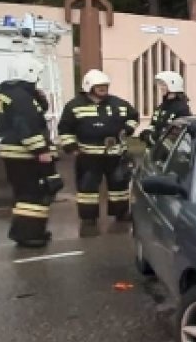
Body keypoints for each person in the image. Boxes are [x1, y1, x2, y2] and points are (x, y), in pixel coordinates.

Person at [57, 69, 140, 233]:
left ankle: (121, 213)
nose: (103, 89)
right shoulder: (74, 106)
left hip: (115, 153)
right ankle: (89, 217)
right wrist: (72, 148)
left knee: (119, 186)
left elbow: (133, 116)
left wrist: (127, 129)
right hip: (88, 155)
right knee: (87, 188)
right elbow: (65, 129)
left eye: (105, 86)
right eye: (99, 86)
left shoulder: (118, 103)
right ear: (88, 87)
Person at [0, 54, 62, 248]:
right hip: (26, 153)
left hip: (14, 151)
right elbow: (27, 125)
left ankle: (28, 231)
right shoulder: (21, 97)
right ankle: (29, 235)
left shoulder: (8, 94)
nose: (38, 79)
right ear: (29, 73)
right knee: (34, 194)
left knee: (25, 195)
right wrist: (41, 150)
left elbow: (28, 117)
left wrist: (40, 99)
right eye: (37, 75)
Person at [144, 70, 191, 158]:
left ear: (173, 86)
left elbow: (178, 134)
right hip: (156, 152)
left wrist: (153, 139)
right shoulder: (161, 107)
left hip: (170, 155)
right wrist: (147, 134)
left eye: (164, 85)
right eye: (160, 85)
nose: (161, 88)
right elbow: (154, 125)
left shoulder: (182, 109)